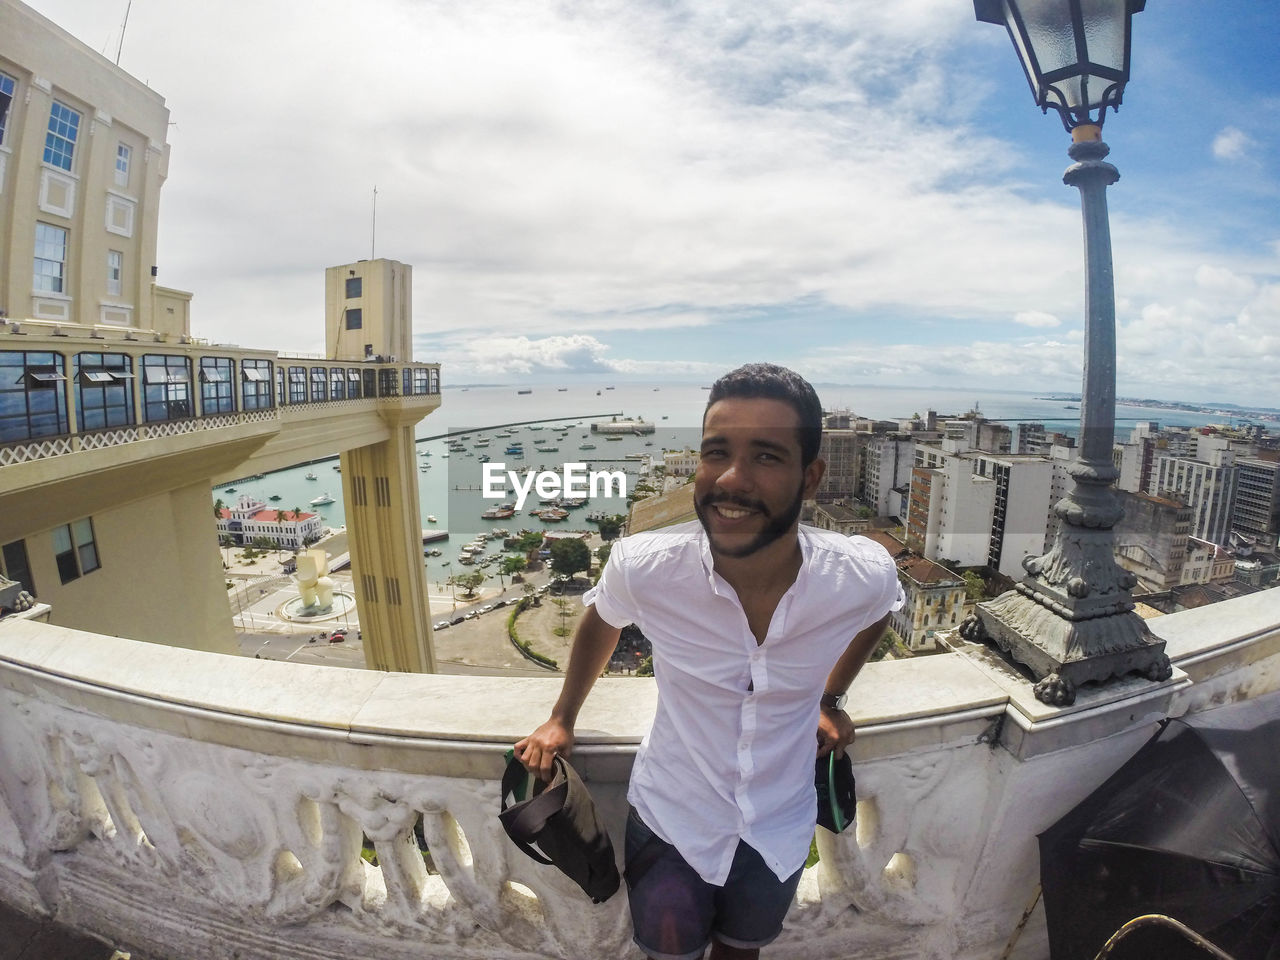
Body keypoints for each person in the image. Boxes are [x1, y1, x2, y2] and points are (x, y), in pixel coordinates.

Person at [515, 363, 903, 960]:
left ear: (811, 477)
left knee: (742, 954)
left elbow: (882, 609)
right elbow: (600, 618)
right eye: (714, 451)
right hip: (673, 820)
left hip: (777, 824)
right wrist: (561, 716)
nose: (729, 478)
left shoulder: (856, 574)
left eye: (767, 456)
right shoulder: (647, 567)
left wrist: (831, 695)